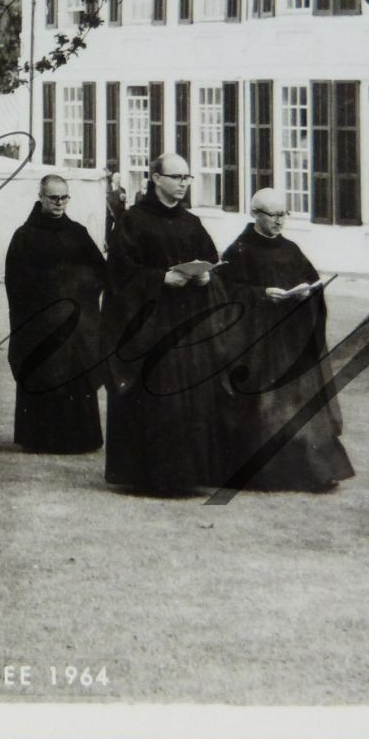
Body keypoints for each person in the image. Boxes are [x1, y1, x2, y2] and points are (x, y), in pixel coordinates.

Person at [102, 153, 231, 496]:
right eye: (176, 177)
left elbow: (214, 265)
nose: (183, 184)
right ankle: (153, 476)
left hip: (187, 326)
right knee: (159, 398)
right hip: (150, 328)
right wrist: (160, 278)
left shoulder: (191, 223)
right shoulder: (132, 221)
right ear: (156, 178)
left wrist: (204, 279)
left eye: (187, 178)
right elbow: (119, 273)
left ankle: (189, 474)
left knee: (192, 397)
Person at [217, 188, 354, 492]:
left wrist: (308, 293)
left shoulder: (291, 249)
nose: (280, 221)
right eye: (273, 215)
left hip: (292, 342)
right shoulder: (238, 251)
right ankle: (268, 473)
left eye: (284, 214)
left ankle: (309, 471)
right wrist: (260, 295)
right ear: (255, 214)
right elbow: (225, 295)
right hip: (257, 345)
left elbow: (311, 283)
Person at [3, 175, 108, 453]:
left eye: (64, 197)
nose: (59, 203)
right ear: (40, 197)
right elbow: (16, 283)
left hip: (76, 328)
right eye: (53, 197)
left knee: (76, 374)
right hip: (41, 326)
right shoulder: (24, 236)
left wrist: (79, 286)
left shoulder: (78, 232)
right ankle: (40, 438)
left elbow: (100, 270)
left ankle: (80, 437)